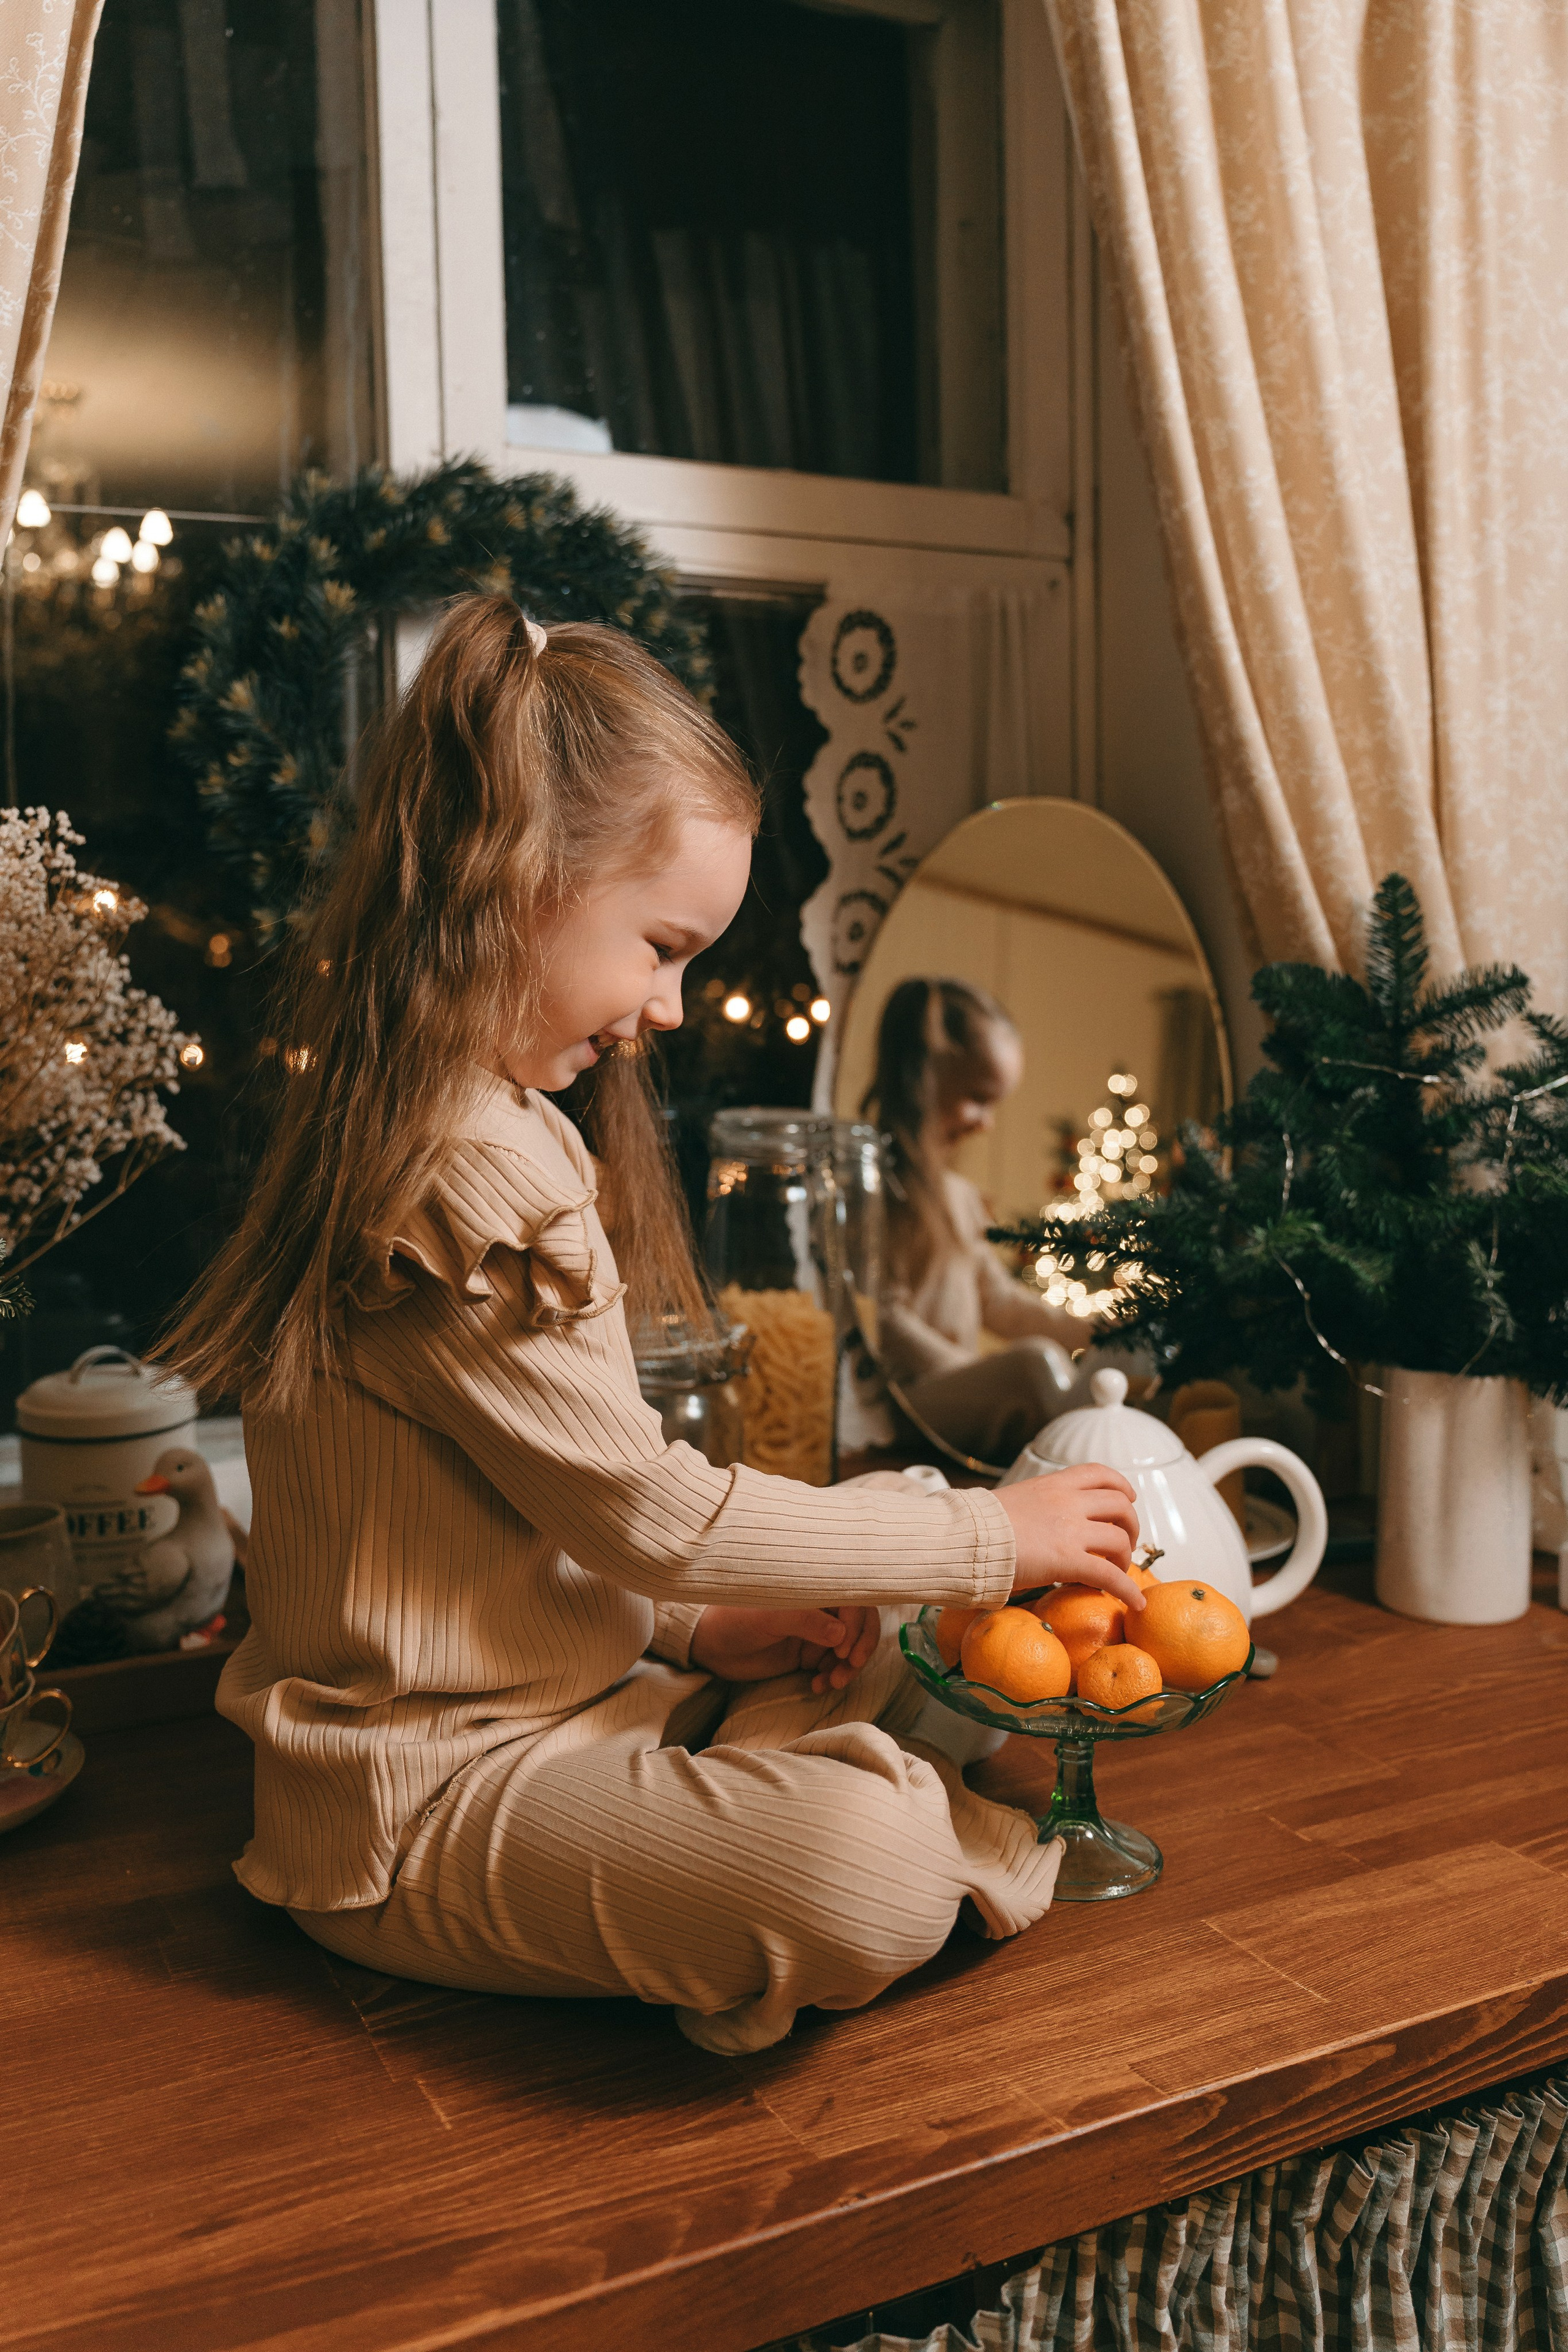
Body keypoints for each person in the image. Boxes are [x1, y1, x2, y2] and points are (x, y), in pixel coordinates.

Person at [163, 598, 1140, 2057]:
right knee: (860, 1851)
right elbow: (646, 1515)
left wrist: (704, 1625)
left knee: (889, 1539)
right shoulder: (454, 1176)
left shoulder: (509, 1126)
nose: (671, 1006)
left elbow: (548, 1512)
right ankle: (821, 1813)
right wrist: (991, 1536)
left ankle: (754, 1784)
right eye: (661, 946)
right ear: (515, 879)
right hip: (427, 1800)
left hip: (598, 1696)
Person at [862, 977, 1085, 1466]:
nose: (986, 1123)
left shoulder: (960, 1196)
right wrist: (970, 1371)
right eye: (978, 1098)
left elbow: (998, 1300)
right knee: (1034, 1367)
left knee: (1066, 1364)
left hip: (952, 1384)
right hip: (903, 1405)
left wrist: (1094, 1331)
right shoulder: (875, 1191)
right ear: (924, 1078)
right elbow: (884, 1320)